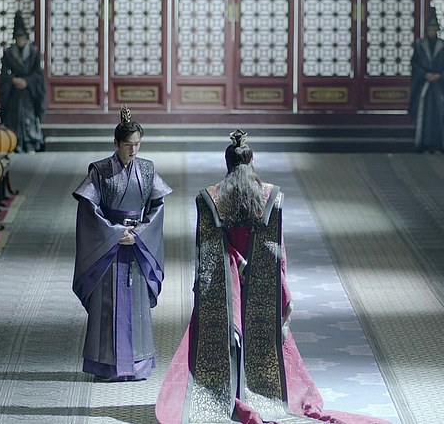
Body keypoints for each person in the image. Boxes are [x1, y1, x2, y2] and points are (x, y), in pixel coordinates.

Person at [156, 130, 388, 424]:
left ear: (227, 164)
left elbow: (207, 251)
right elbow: (277, 252)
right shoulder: (271, 196)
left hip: (224, 285)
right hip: (261, 284)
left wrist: (226, 271)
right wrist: (284, 293)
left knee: (223, 338)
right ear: (252, 162)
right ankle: (262, 393)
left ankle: (224, 393)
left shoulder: (209, 198)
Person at [72, 107, 172, 382]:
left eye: (137, 144)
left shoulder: (147, 169)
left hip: (136, 243)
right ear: (116, 143)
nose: (133, 150)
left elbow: (158, 206)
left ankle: (138, 364)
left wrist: (139, 233)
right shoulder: (100, 171)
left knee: (136, 304)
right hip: (109, 245)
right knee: (107, 306)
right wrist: (114, 233)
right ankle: (105, 366)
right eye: (128, 145)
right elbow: (88, 208)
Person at [0, 11, 46, 153]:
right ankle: (15, 143)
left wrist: (27, 81)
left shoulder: (33, 52)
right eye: (18, 37)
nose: (20, 40)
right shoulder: (8, 53)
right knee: (14, 117)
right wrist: (13, 80)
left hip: (29, 91)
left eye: (22, 37)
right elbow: (4, 73)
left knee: (29, 117)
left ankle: (31, 142)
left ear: (26, 38)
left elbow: (38, 73)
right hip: (14, 91)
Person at [408, 7, 444, 154]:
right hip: (424, 86)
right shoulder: (420, 45)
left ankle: (439, 145)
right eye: (430, 29)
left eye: (434, 29)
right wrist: (425, 74)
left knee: (439, 114)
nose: (432, 32)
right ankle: (423, 145)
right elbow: (415, 64)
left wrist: (439, 75)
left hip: (439, 87)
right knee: (424, 116)